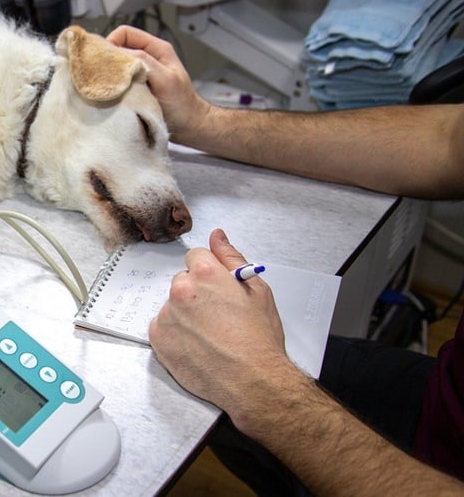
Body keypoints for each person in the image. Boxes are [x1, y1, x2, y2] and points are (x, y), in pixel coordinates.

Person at [106, 25, 464, 495]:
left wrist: (259, 383)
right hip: (446, 401)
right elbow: (448, 142)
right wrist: (202, 121)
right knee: (220, 421)